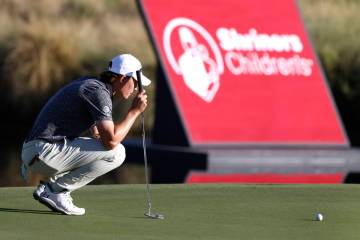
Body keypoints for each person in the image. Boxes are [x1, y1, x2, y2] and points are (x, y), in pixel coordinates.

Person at [20, 54, 151, 216]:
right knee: (117, 153)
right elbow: (111, 141)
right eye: (136, 83)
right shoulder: (98, 92)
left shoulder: (93, 85)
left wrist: (99, 135)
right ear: (123, 78)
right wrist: (134, 112)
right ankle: (55, 191)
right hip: (42, 152)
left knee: (108, 147)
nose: (138, 89)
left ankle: (54, 189)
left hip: (38, 150)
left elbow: (97, 132)